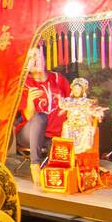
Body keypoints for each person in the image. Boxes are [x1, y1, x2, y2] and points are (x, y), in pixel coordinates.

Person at [16, 50, 70, 186]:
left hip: (56, 134)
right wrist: (30, 101)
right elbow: (27, 116)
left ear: (44, 59)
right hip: (29, 133)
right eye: (31, 58)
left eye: (38, 56)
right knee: (41, 117)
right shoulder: (25, 84)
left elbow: (71, 104)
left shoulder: (58, 79)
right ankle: (35, 164)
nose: (35, 60)